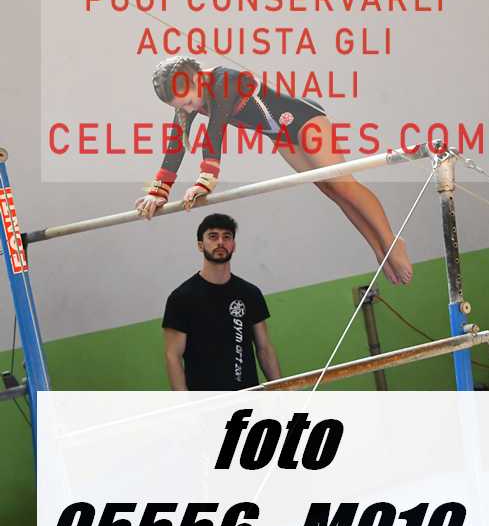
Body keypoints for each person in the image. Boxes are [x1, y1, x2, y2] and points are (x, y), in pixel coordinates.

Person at [136, 56, 413, 285]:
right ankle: (379, 249)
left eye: (188, 102)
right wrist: (158, 192)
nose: (188, 109)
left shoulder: (224, 81)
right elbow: (176, 144)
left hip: (304, 120)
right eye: (181, 107)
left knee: (344, 185)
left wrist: (204, 181)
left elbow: (215, 131)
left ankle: (391, 241)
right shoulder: (190, 98)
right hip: (281, 136)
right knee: (333, 192)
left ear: (197, 78)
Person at [162, 213, 281, 391]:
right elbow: (173, 357)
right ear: (200, 245)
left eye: (227, 237)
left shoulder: (250, 293)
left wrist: (282, 392)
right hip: (205, 401)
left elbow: (264, 349)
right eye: (213, 236)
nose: (220, 242)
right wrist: (186, 404)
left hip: (249, 397)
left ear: (234, 245)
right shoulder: (181, 298)